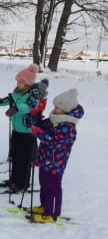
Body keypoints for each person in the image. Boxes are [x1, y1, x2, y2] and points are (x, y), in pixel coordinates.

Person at [0, 64, 40, 192]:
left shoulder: (34, 94)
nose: (18, 84)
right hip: (16, 131)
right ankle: (14, 180)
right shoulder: (16, 93)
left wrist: (16, 109)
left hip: (28, 133)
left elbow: (30, 107)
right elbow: (2, 101)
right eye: (17, 81)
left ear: (27, 83)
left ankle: (22, 183)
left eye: (20, 82)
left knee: (24, 159)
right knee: (15, 157)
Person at [31, 88, 84, 223]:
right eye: (54, 106)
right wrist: (37, 118)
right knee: (43, 184)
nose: (54, 109)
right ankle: (45, 207)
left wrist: (38, 133)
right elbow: (43, 125)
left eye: (57, 107)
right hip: (45, 160)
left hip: (56, 164)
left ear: (65, 109)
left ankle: (52, 213)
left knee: (52, 188)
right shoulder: (55, 119)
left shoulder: (68, 126)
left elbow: (54, 142)